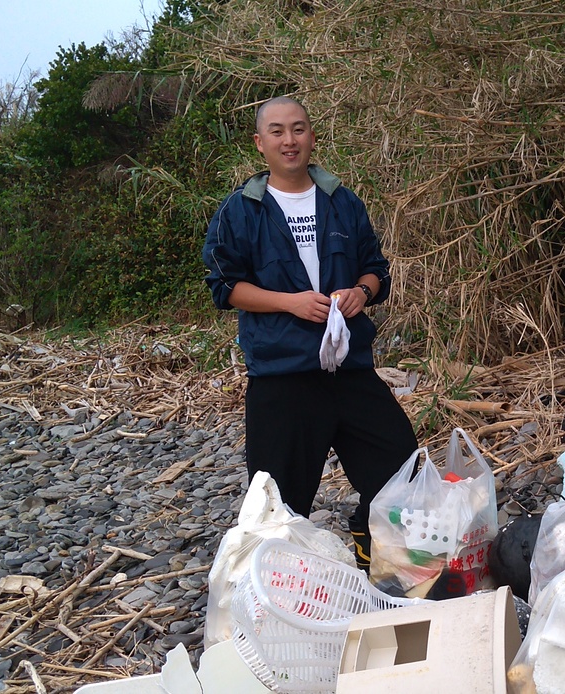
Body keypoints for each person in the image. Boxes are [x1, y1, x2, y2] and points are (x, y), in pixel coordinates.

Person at [202, 96, 418, 571]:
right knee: (278, 499)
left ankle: (371, 542)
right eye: (277, 132)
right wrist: (290, 302)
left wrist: (362, 291)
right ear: (260, 144)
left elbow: (376, 269)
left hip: (349, 368)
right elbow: (225, 286)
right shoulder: (240, 211)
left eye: (298, 129)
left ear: (312, 137)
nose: (289, 140)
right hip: (283, 374)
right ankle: (279, 583)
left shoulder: (342, 201)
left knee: (402, 468)